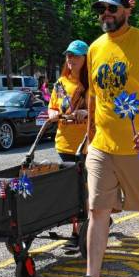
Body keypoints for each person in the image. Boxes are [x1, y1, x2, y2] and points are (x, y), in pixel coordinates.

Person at [64, 0, 139, 277]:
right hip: (102, 147)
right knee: (96, 210)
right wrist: (90, 135)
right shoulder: (95, 48)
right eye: (101, 10)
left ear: (126, 10)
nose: (105, 14)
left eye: (112, 9)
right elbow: (94, 96)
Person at [48, 40, 89, 252]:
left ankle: (78, 232)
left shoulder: (92, 83)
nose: (70, 59)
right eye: (68, 55)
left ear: (85, 59)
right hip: (64, 144)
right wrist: (53, 113)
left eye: (75, 55)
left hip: (87, 146)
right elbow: (52, 108)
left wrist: (87, 113)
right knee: (72, 191)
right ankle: (83, 227)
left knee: (82, 191)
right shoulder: (61, 83)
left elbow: (103, 111)